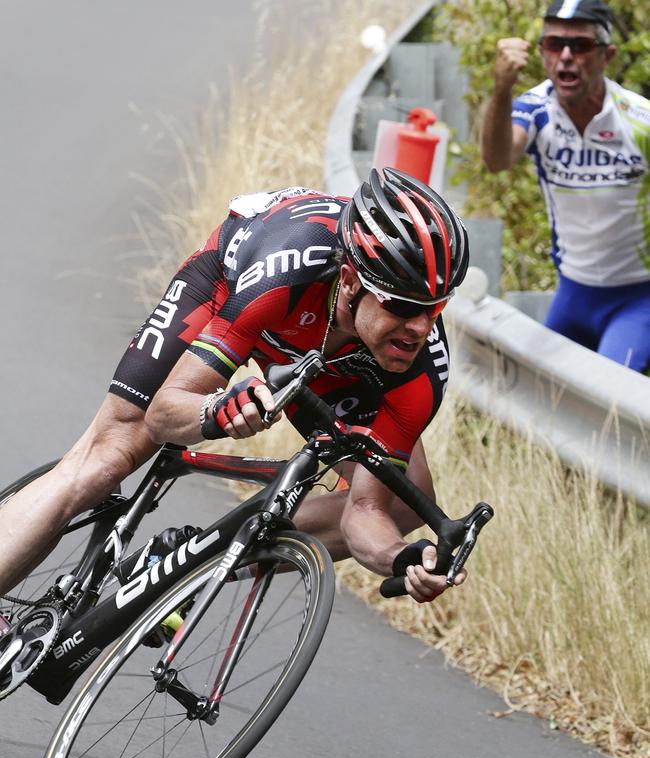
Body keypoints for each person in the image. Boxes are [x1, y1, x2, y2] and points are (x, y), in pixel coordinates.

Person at [0, 167, 470, 609]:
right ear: (350, 281)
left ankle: (187, 562)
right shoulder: (286, 269)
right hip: (229, 288)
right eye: (403, 306)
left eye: (436, 307)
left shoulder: (422, 368)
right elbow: (165, 414)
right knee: (111, 454)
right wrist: (218, 410)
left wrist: (402, 561)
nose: (420, 327)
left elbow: (365, 511)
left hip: (336, 354)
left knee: (407, 497)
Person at [481, 0, 650, 373]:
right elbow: (497, 160)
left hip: (638, 298)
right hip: (573, 292)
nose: (566, 56)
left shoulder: (638, 120)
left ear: (607, 56)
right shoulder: (535, 109)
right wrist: (502, 89)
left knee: (609, 398)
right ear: (542, 52)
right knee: (538, 393)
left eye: (581, 45)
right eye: (554, 44)